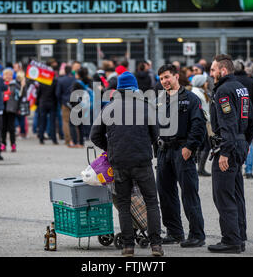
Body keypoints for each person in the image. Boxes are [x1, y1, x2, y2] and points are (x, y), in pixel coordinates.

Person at [90, 71, 164, 257]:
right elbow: (156, 135)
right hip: (142, 162)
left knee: (123, 204)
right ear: (135, 89)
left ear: (118, 90)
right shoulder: (145, 107)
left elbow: (94, 136)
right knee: (151, 203)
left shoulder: (108, 108)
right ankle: (156, 245)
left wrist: (111, 147)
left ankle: (128, 247)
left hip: (119, 163)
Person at [208, 54, 253, 254]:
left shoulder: (224, 91)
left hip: (228, 146)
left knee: (223, 195)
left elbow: (227, 123)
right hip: (239, 143)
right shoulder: (241, 88)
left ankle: (230, 240)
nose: (210, 74)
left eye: (213, 70)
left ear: (223, 70)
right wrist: (245, 144)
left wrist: (225, 153)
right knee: (237, 195)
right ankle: (239, 237)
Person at [156, 64, 207, 248]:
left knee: (189, 194)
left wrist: (189, 147)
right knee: (165, 193)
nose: (164, 81)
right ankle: (174, 232)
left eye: (167, 77)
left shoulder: (191, 99)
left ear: (176, 76)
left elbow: (199, 125)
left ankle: (197, 235)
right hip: (163, 152)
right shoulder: (160, 99)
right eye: (161, 79)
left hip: (182, 151)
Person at [234, 60, 253, 179]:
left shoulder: (231, 83)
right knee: (249, 142)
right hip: (249, 116)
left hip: (234, 118)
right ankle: (249, 170)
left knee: (235, 142)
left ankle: (237, 168)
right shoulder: (252, 82)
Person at [191, 74, 212, 177]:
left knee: (202, 145)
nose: (207, 83)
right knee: (206, 145)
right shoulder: (197, 94)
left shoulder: (201, 92)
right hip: (202, 122)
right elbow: (200, 110)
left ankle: (200, 168)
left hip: (204, 121)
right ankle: (200, 168)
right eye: (205, 81)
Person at [56, 65, 76, 148]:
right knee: (74, 121)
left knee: (65, 121)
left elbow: (57, 93)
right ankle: (75, 139)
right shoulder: (75, 79)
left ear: (65, 71)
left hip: (65, 102)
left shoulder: (61, 80)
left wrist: (61, 100)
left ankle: (68, 139)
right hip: (74, 102)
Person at [1, 69, 20, 152]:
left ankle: (13, 144)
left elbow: (20, 95)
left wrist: (23, 86)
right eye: (6, 75)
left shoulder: (15, 85)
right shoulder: (1, 84)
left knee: (11, 128)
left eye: (9, 75)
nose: (7, 77)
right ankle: (3, 144)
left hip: (12, 108)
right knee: (3, 127)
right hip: (2, 108)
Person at [37, 74, 59, 145]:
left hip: (43, 103)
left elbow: (38, 93)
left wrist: (38, 102)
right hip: (52, 103)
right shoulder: (54, 82)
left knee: (42, 121)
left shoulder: (42, 82)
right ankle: (54, 139)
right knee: (52, 122)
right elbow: (56, 94)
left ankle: (41, 138)